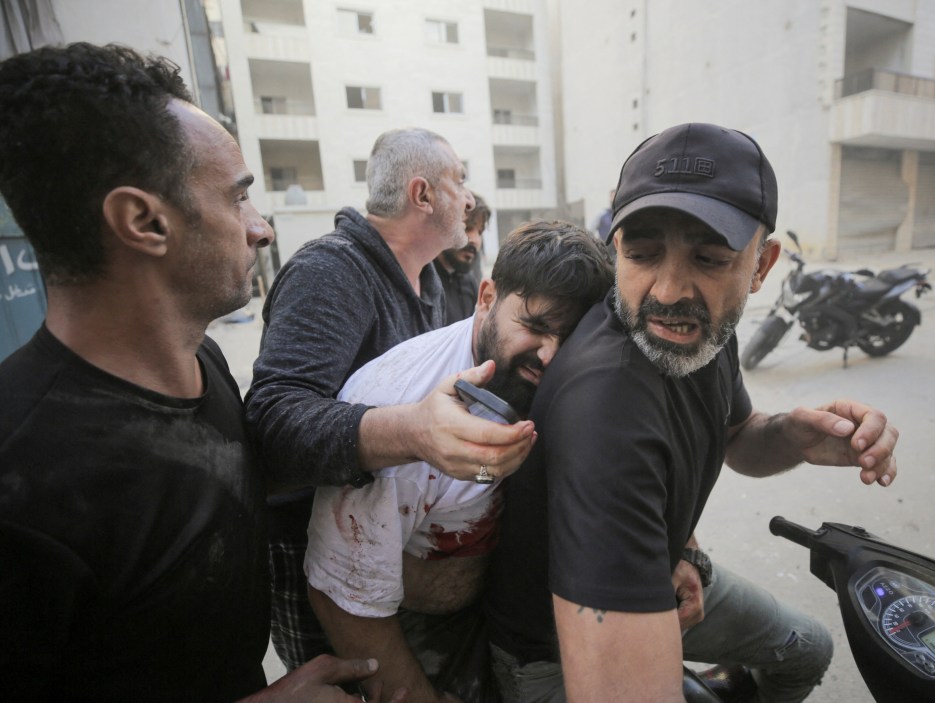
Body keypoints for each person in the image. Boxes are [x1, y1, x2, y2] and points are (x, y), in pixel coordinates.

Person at [0, 42, 401, 702]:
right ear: (143, 221)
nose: (262, 229)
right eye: (239, 198)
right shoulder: (23, 476)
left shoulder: (202, 362)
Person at [484, 122, 899, 703]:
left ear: (761, 265)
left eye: (708, 257)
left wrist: (791, 438)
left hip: (659, 574)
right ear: (616, 246)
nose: (670, 290)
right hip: (546, 652)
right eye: (643, 253)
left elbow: (738, 438)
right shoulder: (605, 407)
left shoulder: (706, 333)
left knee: (806, 649)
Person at [246, 129, 536, 671]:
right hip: (312, 556)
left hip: (392, 549)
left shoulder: (423, 282)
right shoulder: (330, 272)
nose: (470, 199)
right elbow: (274, 421)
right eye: (460, 181)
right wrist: (412, 432)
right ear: (422, 195)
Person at [305, 221, 614, 703]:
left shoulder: (574, 374)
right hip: (419, 633)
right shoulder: (396, 400)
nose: (549, 355)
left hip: (508, 618)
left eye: (568, 338)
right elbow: (342, 599)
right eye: (533, 326)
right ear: (486, 297)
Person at [433, 193, 491, 324]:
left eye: (480, 232)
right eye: (468, 228)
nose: (475, 240)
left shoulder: (469, 283)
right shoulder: (423, 279)